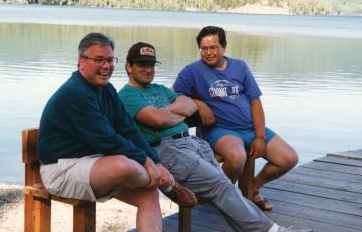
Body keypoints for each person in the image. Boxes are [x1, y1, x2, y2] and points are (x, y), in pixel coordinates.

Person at [119, 42, 312, 232]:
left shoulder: (159, 89)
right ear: (129, 66)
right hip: (167, 150)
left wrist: (167, 111)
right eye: (142, 65)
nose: (148, 69)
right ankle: (274, 231)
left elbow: (189, 105)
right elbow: (158, 120)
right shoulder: (127, 95)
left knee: (226, 188)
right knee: (222, 188)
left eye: (151, 64)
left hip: (192, 143)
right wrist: (172, 113)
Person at [37, 33, 195, 232]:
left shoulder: (106, 90)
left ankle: (161, 181)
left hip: (95, 162)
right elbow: (107, 140)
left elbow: (127, 128)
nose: (106, 66)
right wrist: (147, 162)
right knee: (123, 164)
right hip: (61, 169)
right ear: (81, 62)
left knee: (149, 195)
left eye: (110, 60)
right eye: (99, 60)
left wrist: (155, 160)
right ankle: (168, 185)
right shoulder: (75, 94)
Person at [173, 26, 299, 211]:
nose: (208, 53)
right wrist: (199, 103)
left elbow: (255, 102)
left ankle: (253, 187)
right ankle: (223, 196)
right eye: (204, 48)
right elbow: (174, 97)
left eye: (213, 47)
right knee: (237, 157)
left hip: (250, 128)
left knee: (289, 158)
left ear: (224, 47)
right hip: (221, 131)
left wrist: (259, 136)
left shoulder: (240, 67)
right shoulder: (191, 71)